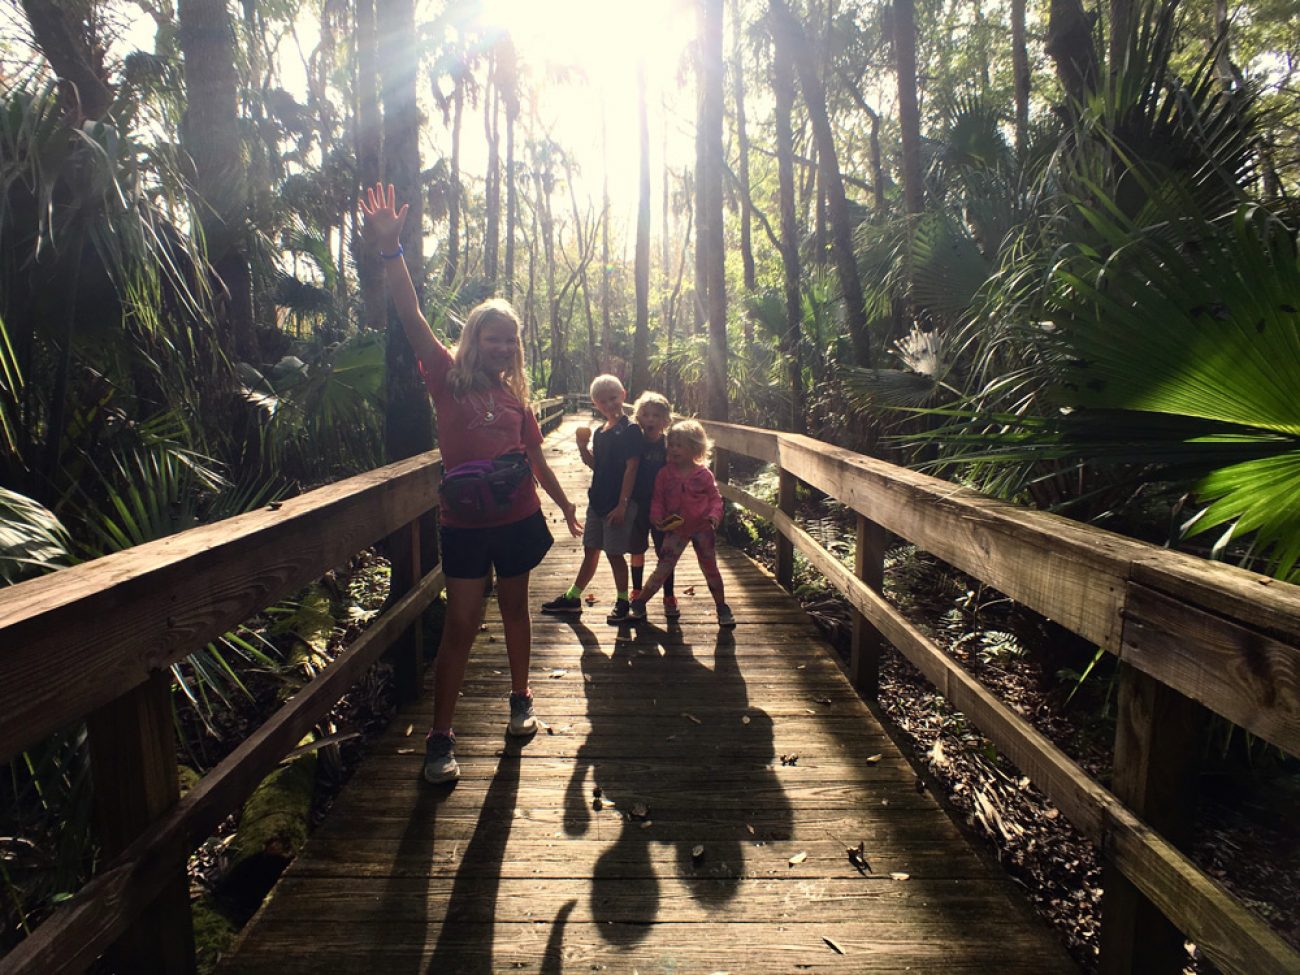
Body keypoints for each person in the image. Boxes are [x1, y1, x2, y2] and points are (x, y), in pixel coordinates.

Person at [360, 183, 583, 786]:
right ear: (474, 339)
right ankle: (440, 736)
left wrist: (565, 507)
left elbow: (536, 459)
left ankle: (522, 697)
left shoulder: (517, 400)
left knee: (514, 609)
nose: (503, 347)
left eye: (511, 340)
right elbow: (410, 315)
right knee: (460, 623)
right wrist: (391, 250)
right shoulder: (445, 377)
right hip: (463, 526)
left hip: (515, 521)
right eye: (493, 337)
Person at [540, 374, 643, 624]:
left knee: (615, 554)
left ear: (623, 396)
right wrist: (581, 445)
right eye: (602, 401)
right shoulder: (601, 431)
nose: (609, 404)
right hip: (597, 502)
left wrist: (622, 505)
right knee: (591, 550)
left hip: (617, 504)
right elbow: (597, 465)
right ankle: (573, 598)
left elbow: (632, 468)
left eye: (613, 398)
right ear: (595, 403)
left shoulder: (630, 430)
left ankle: (622, 601)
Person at [628, 420, 734, 627]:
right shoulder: (665, 474)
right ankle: (640, 603)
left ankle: (722, 607)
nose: (674, 449)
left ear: (694, 448)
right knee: (663, 567)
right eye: (672, 444)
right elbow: (657, 499)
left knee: (710, 568)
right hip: (676, 529)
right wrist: (656, 517)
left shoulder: (703, 474)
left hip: (703, 528)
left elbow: (715, 498)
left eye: (680, 445)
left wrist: (714, 515)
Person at [624, 392, 678, 618]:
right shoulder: (634, 442)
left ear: (666, 420)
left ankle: (669, 594)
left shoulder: (670, 445)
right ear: (638, 417)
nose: (650, 420)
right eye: (645, 415)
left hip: (663, 507)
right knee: (636, 549)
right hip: (637, 504)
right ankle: (637, 590)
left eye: (656, 415)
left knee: (664, 552)